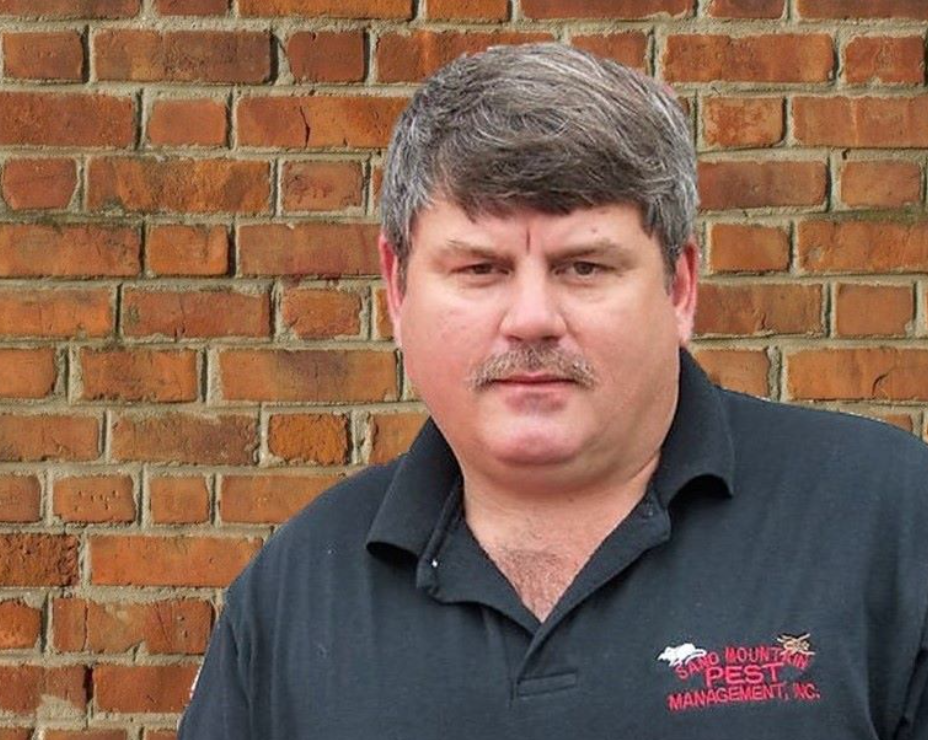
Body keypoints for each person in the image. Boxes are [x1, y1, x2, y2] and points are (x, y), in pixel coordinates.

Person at [178, 43, 928, 739]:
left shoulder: (890, 525)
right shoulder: (297, 593)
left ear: (681, 288)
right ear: (397, 290)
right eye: (481, 269)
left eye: (583, 267)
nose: (532, 318)